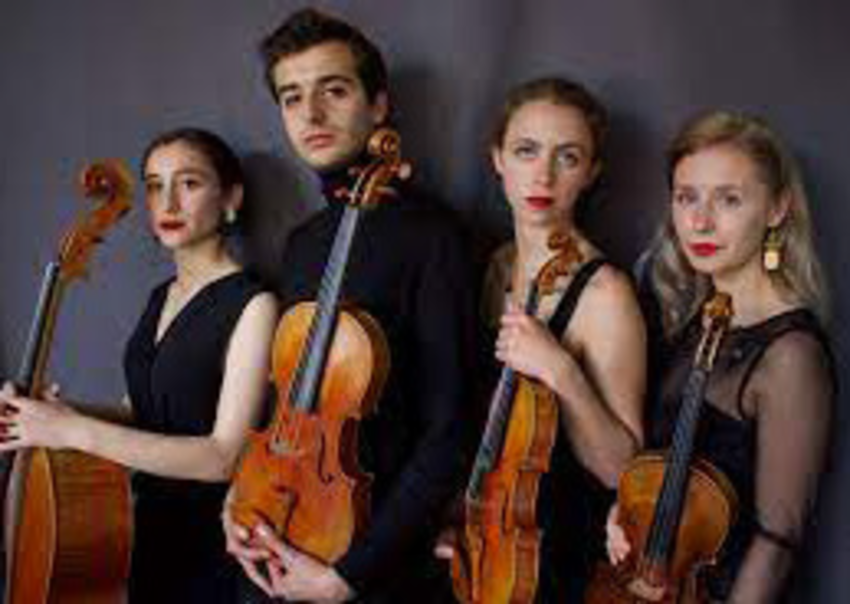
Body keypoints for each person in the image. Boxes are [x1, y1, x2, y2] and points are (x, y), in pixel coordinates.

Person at [221, 8, 476, 604]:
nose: (310, 115)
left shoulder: (434, 236)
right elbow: (284, 406)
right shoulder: (303, 243)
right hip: (275, 534)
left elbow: (449, 433)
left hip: (372, 565)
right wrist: (238, 507)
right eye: (291, 98)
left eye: (333, 91)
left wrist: (348, 576)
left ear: (378, 106)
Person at [0, 127, 279, 603]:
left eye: (189, 183)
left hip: (215, 547)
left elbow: (222, 456)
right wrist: (49, 415)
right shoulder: (160, 298)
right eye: (154, 185)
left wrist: (73, 432)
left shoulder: (254, 304)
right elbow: (141, 410)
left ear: (230, 198)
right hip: (144, 533)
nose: (168, 201)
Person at [606, 111, 835, 602]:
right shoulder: (701, 319)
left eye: (729, 200)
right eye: (687, 197)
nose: (700, 221)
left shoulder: (791, 355)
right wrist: (626, 513)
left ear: (777, 208)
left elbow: (778, 542)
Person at [439, 77, 647, 601]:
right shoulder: (495, 267)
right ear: (497, 159)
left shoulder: (605, 293)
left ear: (591, 173)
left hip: (557, 558)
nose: (544, 174)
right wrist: (457, 516)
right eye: (526, 151)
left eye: (568, 157)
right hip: (484, 544)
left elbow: (621, 468)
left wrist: (560, 371)